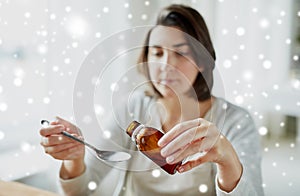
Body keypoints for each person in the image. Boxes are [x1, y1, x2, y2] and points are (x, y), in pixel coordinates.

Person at [39, 4, 264, 196]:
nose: (166, 65)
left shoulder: (236, 121)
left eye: (181, 53)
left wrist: (227, 160)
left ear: (203, 61)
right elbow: (80, 190)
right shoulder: (133, 108)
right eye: (157, 53)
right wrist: (75, 158)